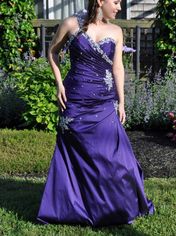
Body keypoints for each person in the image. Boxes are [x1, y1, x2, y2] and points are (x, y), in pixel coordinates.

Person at [37, 0, 154, 227]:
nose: (119, 7)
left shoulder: (116, 31)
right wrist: (59, 84)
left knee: (118, 160)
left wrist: (122, 102)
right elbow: (52, 51)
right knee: (78, 160)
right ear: (100, 1)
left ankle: (118, 206)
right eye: (116, 2)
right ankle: (77, 209)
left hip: (104, 104)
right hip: (75, 103)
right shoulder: (71, 24)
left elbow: (117, 67)